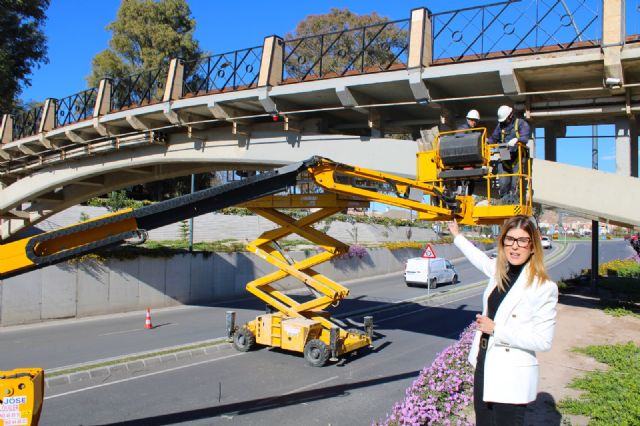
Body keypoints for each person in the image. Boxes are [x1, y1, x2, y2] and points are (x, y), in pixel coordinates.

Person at [448, 216, 558, 426]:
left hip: (511, 372)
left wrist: (496, 329)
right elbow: (480, 259)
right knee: (483, 422)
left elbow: (543, 341)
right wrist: (457, 235)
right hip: (484, 362)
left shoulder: (543, 287)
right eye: (510, 240)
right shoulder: (501, 272)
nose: (515, 247)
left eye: (522, 241)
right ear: (503, 242)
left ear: (533, 246)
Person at [488, 105, 531, 203]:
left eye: (505, 119)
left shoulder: (520, 123)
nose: (503, 122)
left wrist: (517, 139)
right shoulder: (500, 126)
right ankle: (504, 202)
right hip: (504, 154)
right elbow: (493, 139)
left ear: (510, 116)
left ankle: (515, 202)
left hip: (518, 156)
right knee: (503, 183)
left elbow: (525, 137)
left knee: (515, 183)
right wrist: (487, 141)